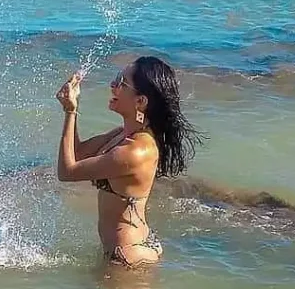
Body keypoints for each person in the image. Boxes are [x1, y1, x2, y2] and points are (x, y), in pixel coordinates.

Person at [55, 56, 201, 268]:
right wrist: (72, 109)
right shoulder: (122, 136)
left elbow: (66, 172)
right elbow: (76, 154)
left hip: (127, 259)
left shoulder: (136, 151)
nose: (112, 86)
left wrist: (70, 111)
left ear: (140, 101)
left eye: (121, 83)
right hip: (128, 251)